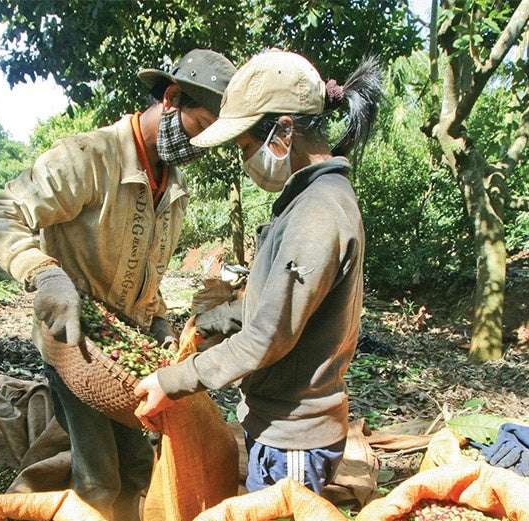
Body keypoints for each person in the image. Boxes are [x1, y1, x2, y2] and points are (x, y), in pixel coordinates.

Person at [0, 49, 237, 521]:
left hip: (124, 351)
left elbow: (148, 271)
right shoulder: (89, 158)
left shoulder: (175, 187)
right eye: (200, 126)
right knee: (99, 475)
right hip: (77, 345)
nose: (202, 144)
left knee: (138, 467)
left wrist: (158, 320)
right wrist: (47, 276)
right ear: (172, 97)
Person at [135, 49, 383, 495]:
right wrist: (212, 322)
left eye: (247, 147)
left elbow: (268, 335)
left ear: (284, 131)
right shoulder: (306, 201)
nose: (246, 161)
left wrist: (172, 381)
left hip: (295, 436)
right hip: (277, 424)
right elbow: (270, 301)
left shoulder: (318, 213)